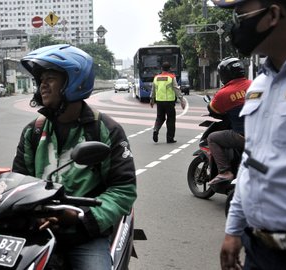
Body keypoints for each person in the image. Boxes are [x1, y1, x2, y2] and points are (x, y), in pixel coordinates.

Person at [12, 44, 137, 270]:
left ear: (74, 82)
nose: (42, 85)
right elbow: (19, 181)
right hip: (39, 230)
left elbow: (123, 190)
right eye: (40, 79)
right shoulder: (34, 131)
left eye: (50, 78)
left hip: (85, 235)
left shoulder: (105, 130)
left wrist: (82, 219)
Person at [212, 0, 286, 269]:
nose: (236, 26)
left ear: (273, 14)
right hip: (258, 249)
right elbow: (252, 164)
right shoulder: (260, 84)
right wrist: (233, 229)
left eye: (241, 15)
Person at [207, 57, 251, 185]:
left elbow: (214, 109)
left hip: (243, 135)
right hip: (263, 133)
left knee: (212, 137)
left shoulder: (224, 93)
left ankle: (225, 172)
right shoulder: (256, 84)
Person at [149, 62, 186, 143]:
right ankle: (170, 138)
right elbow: (176, 89)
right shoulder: (171, 77)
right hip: (169, 102)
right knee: (171, 120)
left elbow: (153, 89)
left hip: (159, 101)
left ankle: (156, 129)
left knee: (159, 118)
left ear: (161, 69)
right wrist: (182, 100)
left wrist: (151, 100)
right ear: (170, 69)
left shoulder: (156, 77)